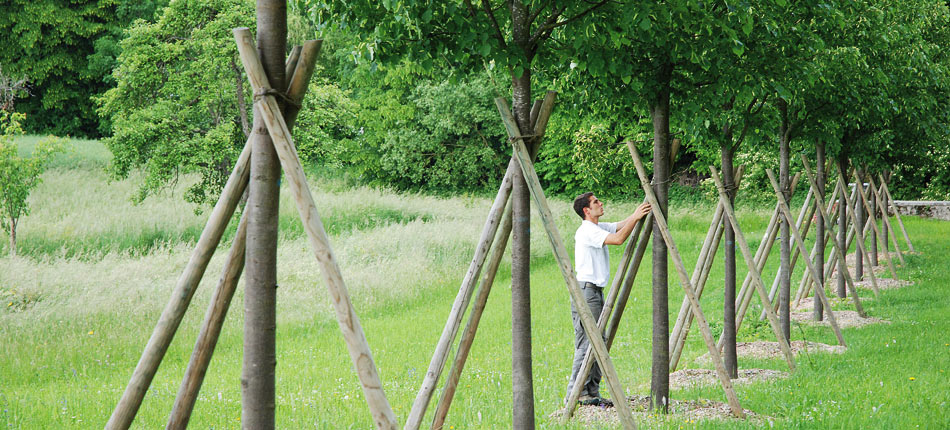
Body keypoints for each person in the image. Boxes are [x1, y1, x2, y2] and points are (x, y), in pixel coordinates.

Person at [566, 192, 651, 406]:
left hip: (594, 292)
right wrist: (635, 216)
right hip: (587, 292)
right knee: (588, 344)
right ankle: (575, 393)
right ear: (586, 210)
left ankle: (591, 392)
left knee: (599, 342)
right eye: (596, 202)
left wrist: (636, 215)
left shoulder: (597, 227)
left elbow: (618, 226)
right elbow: (618, 239)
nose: (601, 203)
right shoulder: (587, 231)